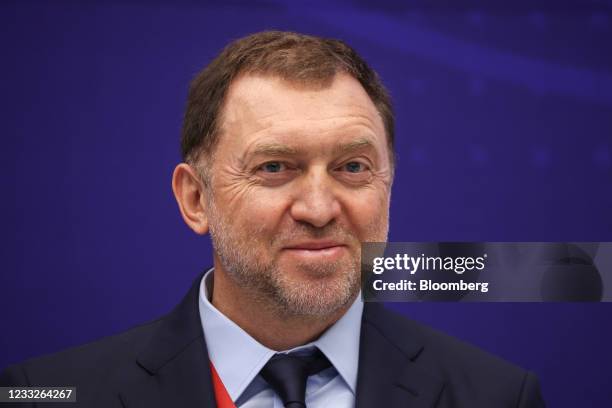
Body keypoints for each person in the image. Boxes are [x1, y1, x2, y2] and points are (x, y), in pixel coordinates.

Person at [0, 31, 545, 407]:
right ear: (195, 199)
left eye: (352, 167)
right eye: (275, 167)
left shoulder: (498, 396)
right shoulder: (45, 393)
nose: (319, 208)